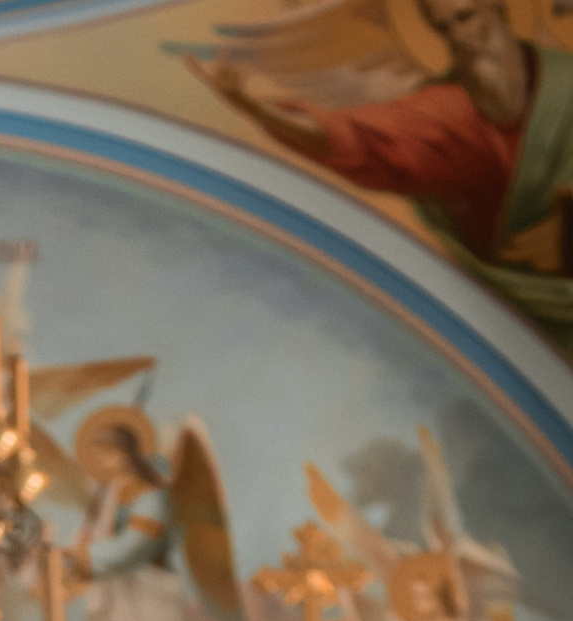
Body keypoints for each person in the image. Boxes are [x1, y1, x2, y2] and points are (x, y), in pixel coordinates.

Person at [196, 0, 573, 357]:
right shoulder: (451, 111)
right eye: (443, 28)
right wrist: (257, 108)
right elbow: (361, 138)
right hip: (521, 321)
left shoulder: (567, 83)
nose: (458, 38)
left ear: (497, 8)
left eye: (465, 18)